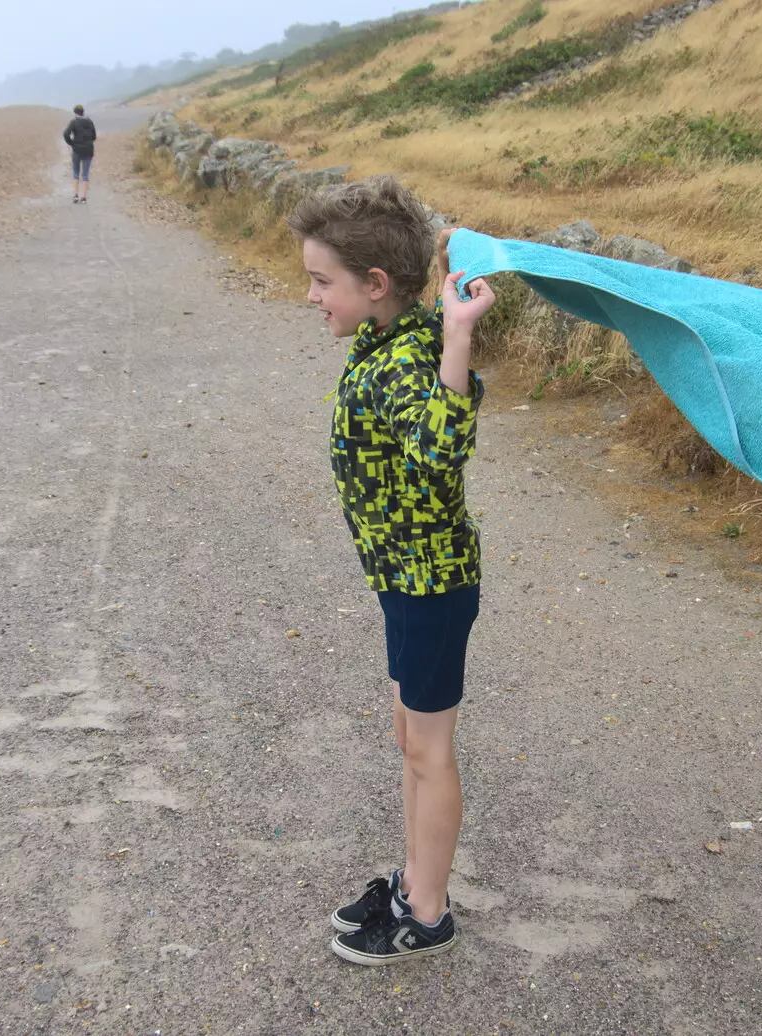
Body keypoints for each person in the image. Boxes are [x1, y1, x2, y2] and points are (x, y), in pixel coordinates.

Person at [287, 176, 496, 965]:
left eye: (320, 280)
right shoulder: (389, 344)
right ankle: (413, 880)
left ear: (375, 286)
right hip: (404, 581)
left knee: (427, 750)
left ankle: (428, 913)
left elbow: (442, 449)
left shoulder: (409, 358)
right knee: (411, 735)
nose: (310, 295)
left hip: (432, 585)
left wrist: (459, 337)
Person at [63, 104, 96, 203]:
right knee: (85, 174)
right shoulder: (90, 121)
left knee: (76, 173)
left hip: (77, 150)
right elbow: (94, 136)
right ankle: (84, 197)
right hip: (88, 150)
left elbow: (65, 134)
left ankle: (76, 195)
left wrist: (71, 143)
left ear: (75, 112)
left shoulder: (73, 122)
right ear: (83, 112)